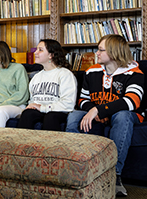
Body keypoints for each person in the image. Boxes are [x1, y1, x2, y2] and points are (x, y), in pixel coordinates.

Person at [65, 34, 144, 197]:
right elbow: (82, 100)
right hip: (98, 112)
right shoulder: (91, 71)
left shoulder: (135, 73)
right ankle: (74, 168)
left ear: (114, 53)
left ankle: (114, 175)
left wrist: (98, 110)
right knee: (73, 115)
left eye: (101, 50)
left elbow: (131, 102)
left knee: (122, 115)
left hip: (130, 115)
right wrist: (95, 110)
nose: (96, 53)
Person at [17, 39, 77, 131]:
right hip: (39, 111)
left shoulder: (65, 74)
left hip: (58, 112)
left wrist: (43, 108)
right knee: (27, 114)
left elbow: (68, 104)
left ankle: (51, 145)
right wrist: (32, 106)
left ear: (51, 55)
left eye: (40, 50)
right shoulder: (36, 77)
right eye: (36, 49)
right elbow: (33, 100)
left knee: (51, 116)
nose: (35, 53)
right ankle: (23, 145)